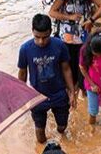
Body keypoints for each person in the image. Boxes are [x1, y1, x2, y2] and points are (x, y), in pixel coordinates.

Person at [49, 0, 101, 104]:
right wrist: (69, 16)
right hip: (66, 38)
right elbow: (52, 12)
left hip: (83, 37)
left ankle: (82, 89)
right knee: (67, 65)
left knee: (83, 64)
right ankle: (71, 91)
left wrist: (91, 20)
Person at [18, 14, 76, 144]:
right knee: (39, 134)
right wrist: (21, 97)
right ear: (32, 31)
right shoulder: (25, 49)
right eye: (37, 37)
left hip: (59, 94)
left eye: (45, 37)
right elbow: (22, 74)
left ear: (50, 31)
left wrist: (72, 92)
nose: (41, 41)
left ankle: (63, 143)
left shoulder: (60, 45)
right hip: (36, 97)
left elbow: (66, 69)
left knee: (62, 127)